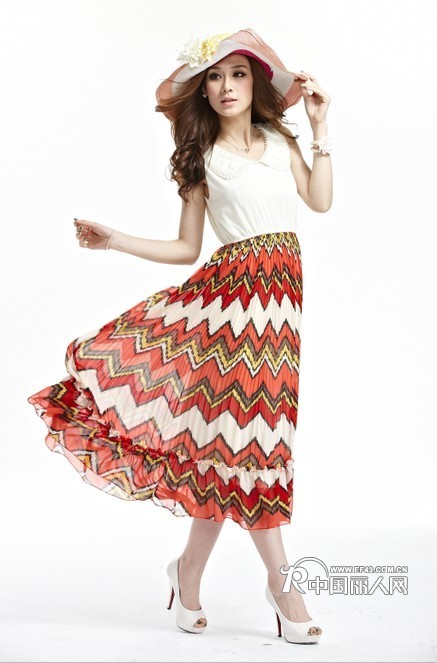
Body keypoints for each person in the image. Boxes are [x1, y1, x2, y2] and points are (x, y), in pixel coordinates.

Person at [28, 28, 332, 644]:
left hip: (280, 308)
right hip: (229, 310)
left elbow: (320, 201)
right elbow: (187, 248)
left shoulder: (280, 142)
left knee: (230, 450)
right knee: (252, 445)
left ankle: (187, 571)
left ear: (255, 84)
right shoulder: (202, 158)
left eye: (238, 74)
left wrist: (321, 129)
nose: (226, 87)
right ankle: (284, 588)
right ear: (203, 90)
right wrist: (114, 239)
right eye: (214, 77)